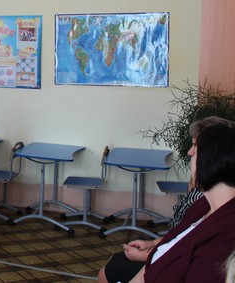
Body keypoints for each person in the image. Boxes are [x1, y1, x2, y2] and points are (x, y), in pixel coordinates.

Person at [98, 116, 235, 283]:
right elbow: (177, 242)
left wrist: (148, 254)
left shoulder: (224, 235)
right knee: (112, 266)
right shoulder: (203, 205)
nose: (189, 153)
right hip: (153, 268)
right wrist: (154, 245)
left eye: (196, 148)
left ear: (212, 159)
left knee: (111, 270)